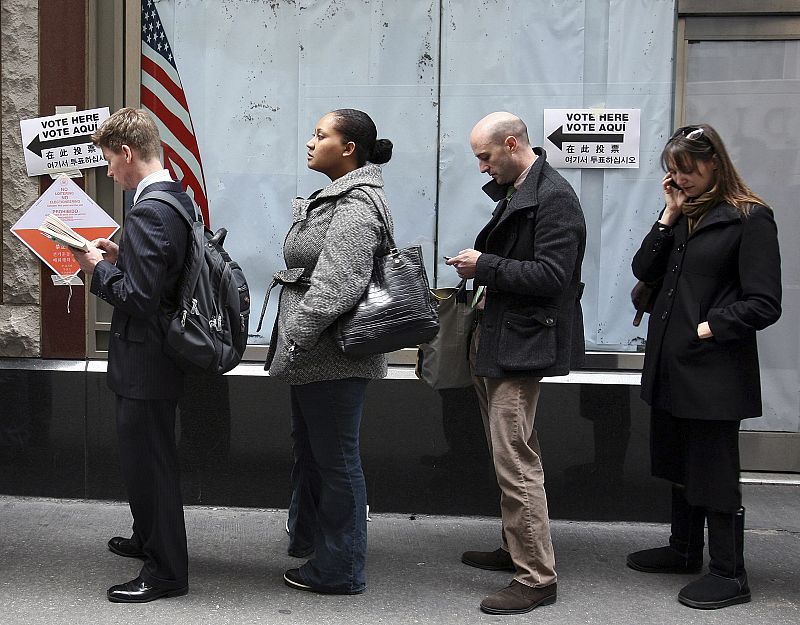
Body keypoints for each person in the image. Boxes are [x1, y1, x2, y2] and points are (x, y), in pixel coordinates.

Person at [628, 124, 781, 610]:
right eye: (672, 171)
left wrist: (709, 327)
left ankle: (729, 573)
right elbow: (643, 270)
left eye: (687, 169)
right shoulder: (682, 215)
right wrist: (668, 214)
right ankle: (683, 549)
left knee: (714, 471)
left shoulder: (749, 218)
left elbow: (765, 303)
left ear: (715, 162)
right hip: (672, 367)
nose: (680, 179)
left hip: (713, 370)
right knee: (677, 461)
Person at [447, 111, 586, 615]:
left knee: (516, 461)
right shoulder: (526, 190)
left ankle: (535, 578)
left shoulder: (553, 198)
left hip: (521, 346)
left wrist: (484, 266)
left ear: (511, 144)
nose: (482, 168)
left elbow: (553, 276)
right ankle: (516, 549)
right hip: (505, 340)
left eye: (485, 157)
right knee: (512, 454)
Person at [265, 108, 394, 595]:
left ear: (349, 149)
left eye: (321, 135)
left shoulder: (357, 204)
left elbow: (339, 284)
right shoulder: (337, 196)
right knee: (319, 455)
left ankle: (341, 569)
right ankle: (317, 545)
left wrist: (295, 334)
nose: (310, 142)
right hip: (318, 355)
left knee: (337, 460)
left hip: (333, 356)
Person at [71, 107, 193, 603]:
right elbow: (159, 276)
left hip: (146, 360)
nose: (108, 173)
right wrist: (123, 257)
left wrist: (96, 268)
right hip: (156, 357)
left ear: (127, 153)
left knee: (152, 463)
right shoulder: (174, 198)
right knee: (144, 458)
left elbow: (141, 300)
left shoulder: (148, 211)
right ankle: (148, 539)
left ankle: (165, 571)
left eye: (108, 162)